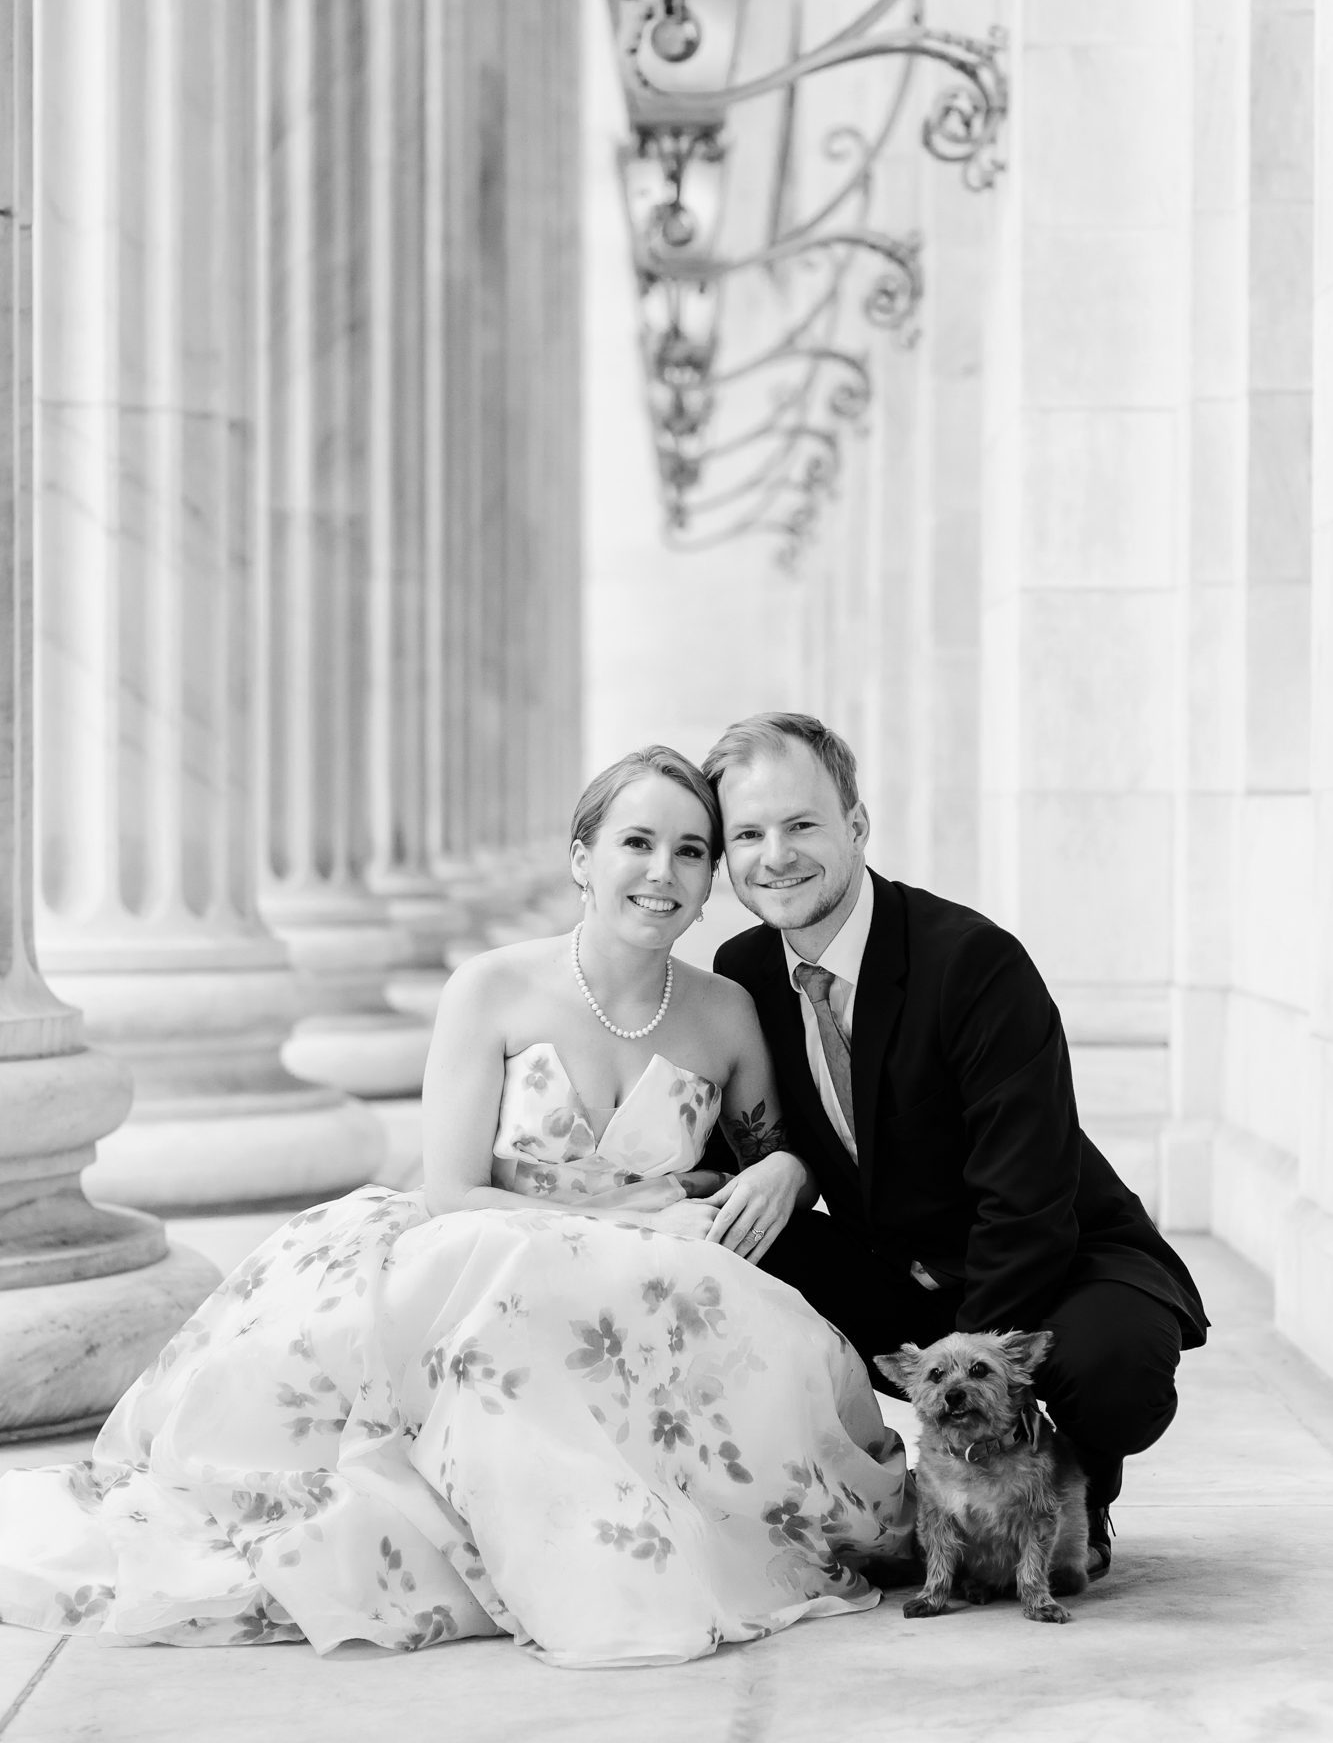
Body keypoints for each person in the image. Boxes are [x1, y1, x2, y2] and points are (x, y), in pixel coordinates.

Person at [0, 746, 914, 1669]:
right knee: (500, 1278)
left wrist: (787, 1170)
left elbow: (776, 1154)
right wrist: (628, 1224)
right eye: (635, 842)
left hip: (651, 1283)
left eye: (689, 852)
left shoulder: (723, 1011)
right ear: (580, 857)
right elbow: (449, 1191)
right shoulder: (491, 986)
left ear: (710, 876)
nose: (660, 873)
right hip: (489, 1251)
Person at [701, 711, 1208, 1580]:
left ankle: (1066, 1492)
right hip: (899, 1266)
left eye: (801, 824)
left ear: (857, 826)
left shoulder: (971, 961)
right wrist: (787, 1161)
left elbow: (1029, 1192)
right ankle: (825, 1499)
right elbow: (779, 1132)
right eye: (747, 833)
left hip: (1055, 1255)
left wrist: (970, 1368)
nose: (774, 854)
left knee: (1111, 1375)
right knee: (736, 1244)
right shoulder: (745, 969)